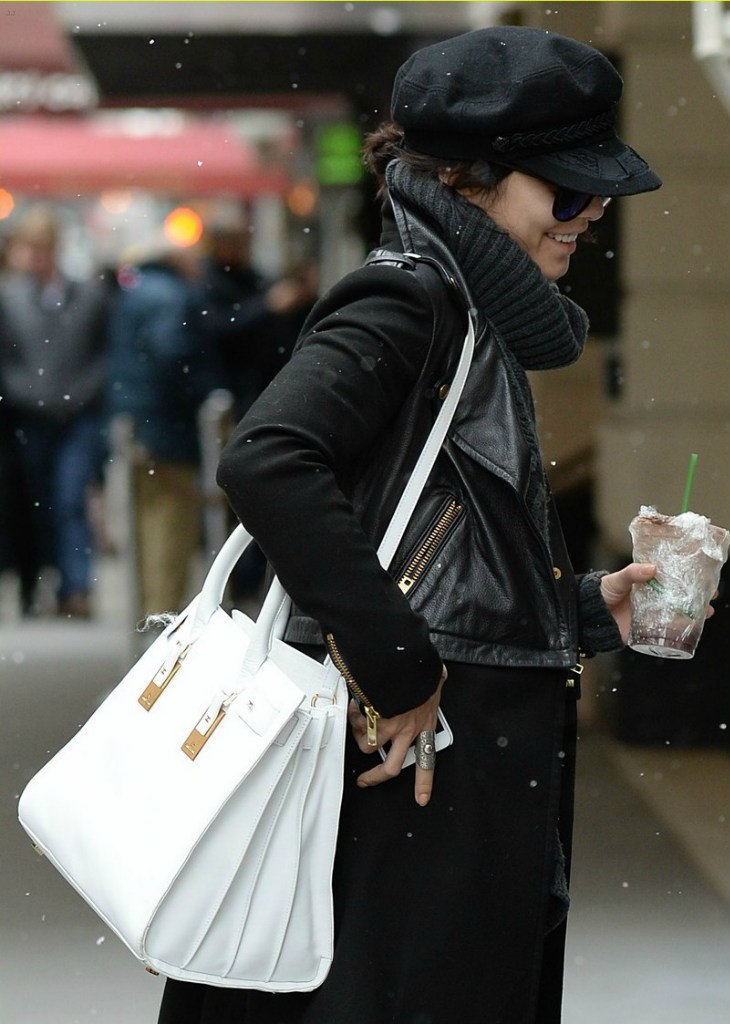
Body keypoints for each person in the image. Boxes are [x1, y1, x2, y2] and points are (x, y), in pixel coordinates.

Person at [158, 26, 666, 1024]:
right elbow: (269, 459)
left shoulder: (472, 319)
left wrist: (580, 609)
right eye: (564, 191)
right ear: (472, 182)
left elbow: (433, 544)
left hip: (434, 801)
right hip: (401, 794)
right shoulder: (412, 299)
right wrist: (399, 668)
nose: (590, 214)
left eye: (594, 193)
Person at [0, 205, 110, 617]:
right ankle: (46, 583)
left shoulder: (88, 295)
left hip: (77, 415)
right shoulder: (11, 299)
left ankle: (76, 586)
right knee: (36, 504)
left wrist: (84, 392)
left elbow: (101, 354)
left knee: (68, 498)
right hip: (30, 416)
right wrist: (25, 392)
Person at [106, 239, 215, 618]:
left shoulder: (133, 292)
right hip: (167, 427)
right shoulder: (172, 297)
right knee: (170, 528)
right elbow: (171, 355)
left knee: (146, 525)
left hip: (135, 422)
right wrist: (203, 392)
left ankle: (148, 612)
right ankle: (163, 617)